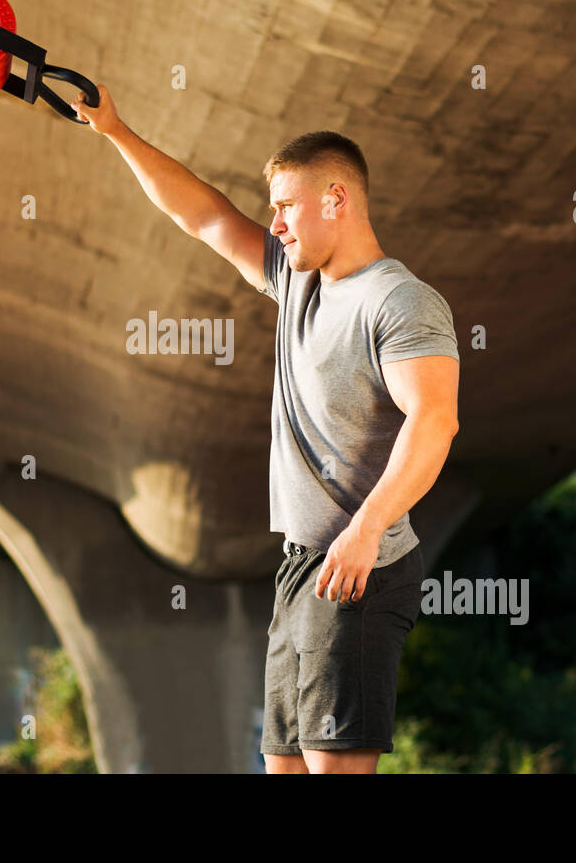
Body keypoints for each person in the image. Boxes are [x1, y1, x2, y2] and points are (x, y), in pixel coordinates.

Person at [74, 86, 461, 775]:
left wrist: (366, 531)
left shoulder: (400, 303)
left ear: (336, 200)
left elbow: (435, 421)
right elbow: (205, 218)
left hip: (360, 571)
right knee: (282, 768)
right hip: (300, 570)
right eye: (275, 208)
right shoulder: (297, 283)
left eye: (286, 205)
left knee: (332, 768)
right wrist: (114, 130)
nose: (274, 223)